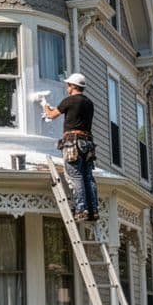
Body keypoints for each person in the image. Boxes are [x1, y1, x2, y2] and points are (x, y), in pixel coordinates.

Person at [42, 73, 99, 221]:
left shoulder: (69, 100)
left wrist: (44, 104)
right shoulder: (89, 103)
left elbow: (51, 115)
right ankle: (93, 209)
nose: (67, 87)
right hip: (88, 143)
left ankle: (81, 209)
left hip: (73, 142)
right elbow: (73, 114)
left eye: (68, 85)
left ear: (73, 86)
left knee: (76, 176)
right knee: (88, 177)